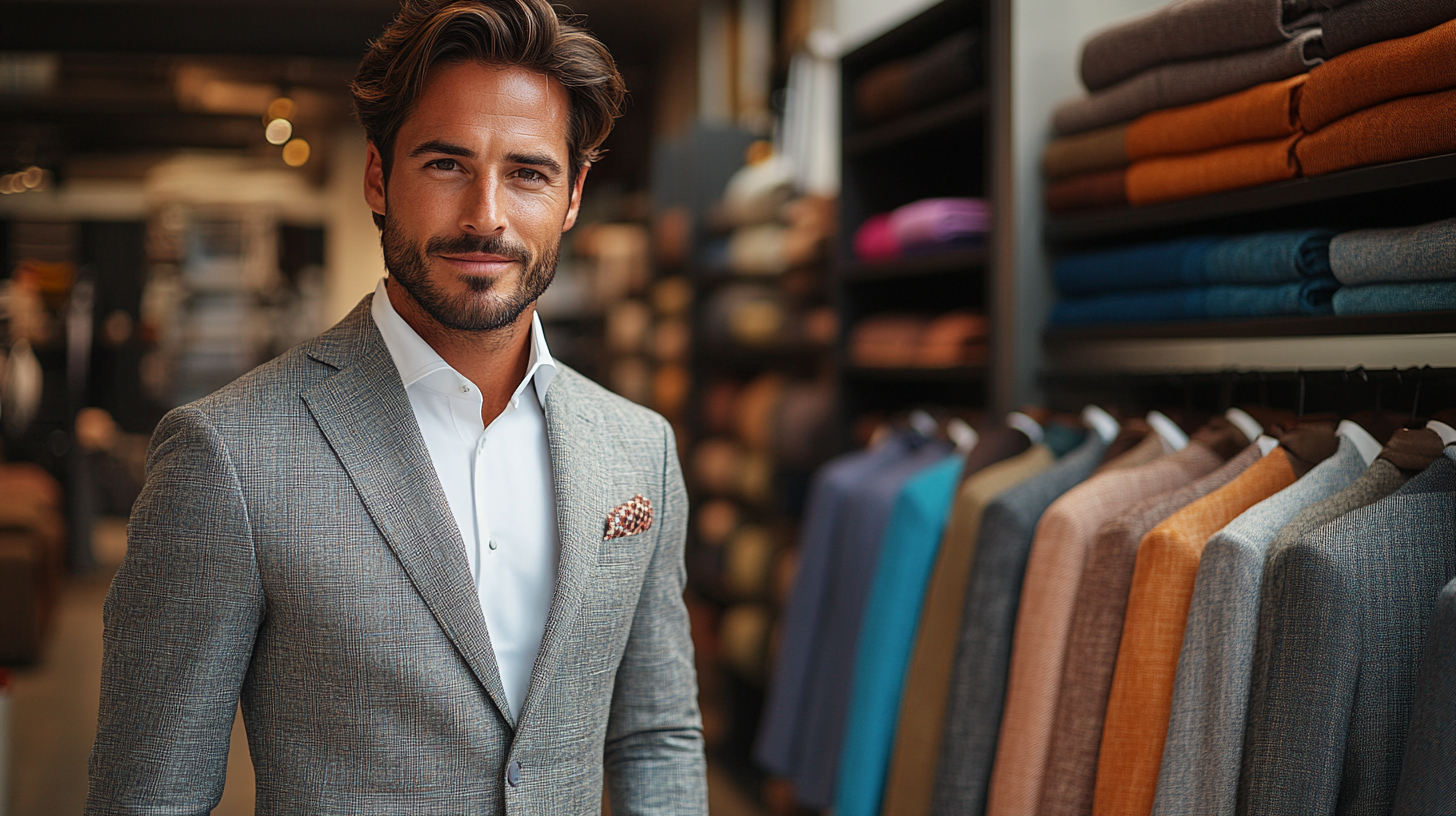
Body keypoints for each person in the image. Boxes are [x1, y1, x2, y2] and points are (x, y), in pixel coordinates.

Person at [84, 1, 708, 813]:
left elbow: (655, 736)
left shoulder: (639, 449)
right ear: (378, 178)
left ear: (574, 194)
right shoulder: (228, 455)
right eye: (446, 164)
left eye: (527, 172)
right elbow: (149, 797)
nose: (486, 214)